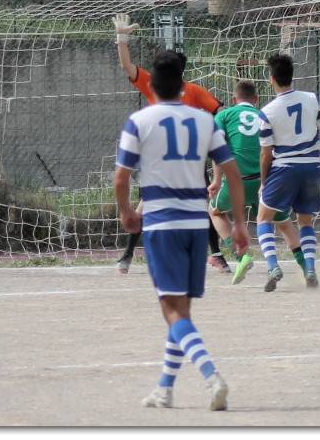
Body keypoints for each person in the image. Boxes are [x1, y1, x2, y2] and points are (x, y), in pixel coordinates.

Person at [114, 50, 250, 410]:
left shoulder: (139, 121)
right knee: (181, 310)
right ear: (183, 85)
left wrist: (127, 212)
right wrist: (238, 224)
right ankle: (165, 388)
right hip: (196, 223)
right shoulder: (206, 122)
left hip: (162, 223)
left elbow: (121, 178)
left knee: (171, 310)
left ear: (152, 86)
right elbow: (232, 175)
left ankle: (212, 377)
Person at [113, 13, 231, 275]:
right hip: (165, 160)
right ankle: (129, 254)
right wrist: (121, 39)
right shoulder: (161, 87)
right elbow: (127, 66)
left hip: (187, 159)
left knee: (197, 207)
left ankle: (217, 255)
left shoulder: (192, 91)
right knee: (151, 206)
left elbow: (220, 112)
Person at [255, 53, 320, 292]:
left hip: (284, 169)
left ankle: (272, 266)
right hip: (311, 169)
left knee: (263, 218)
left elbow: (266, 154)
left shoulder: (267, 111)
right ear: (292, 76)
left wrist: (263, 181)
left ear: (272, 79)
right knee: (305, 221)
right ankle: (309, 268)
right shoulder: (313, 99)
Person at [208, 80, 308, 287]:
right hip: (267, 181)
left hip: (239, 182)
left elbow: (217, 148)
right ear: (256, 100)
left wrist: (217, 180)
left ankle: (241, 257)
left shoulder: (224, 115)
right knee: (284, 223)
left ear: (234, 100)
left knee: (214, 211)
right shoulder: (266, 114)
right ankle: (307, 267)